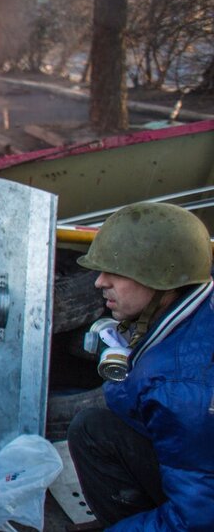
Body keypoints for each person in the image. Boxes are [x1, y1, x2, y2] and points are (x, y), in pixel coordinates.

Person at [67, 202, 214, 530]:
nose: (98, 282)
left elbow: (197, 520)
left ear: (162, 279)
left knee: (92, 432)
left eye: (116, 272)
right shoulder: (199, 288)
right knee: (96, 429)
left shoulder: (180, 390)